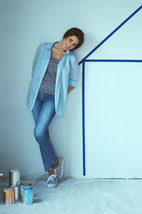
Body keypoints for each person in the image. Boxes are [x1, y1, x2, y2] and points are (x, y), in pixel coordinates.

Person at [27, 28, 84, 188]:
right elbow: (34, 71)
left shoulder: (71, 59)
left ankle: (55, 162)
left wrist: (59, 94)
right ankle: (51, 174)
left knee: (38, 133)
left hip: (52, 99)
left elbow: (72, 83)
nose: (70, 45)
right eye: (71, 40)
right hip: (36, 96)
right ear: (66, 35)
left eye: (74, 45)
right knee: (43, 134)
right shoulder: (43, 48)